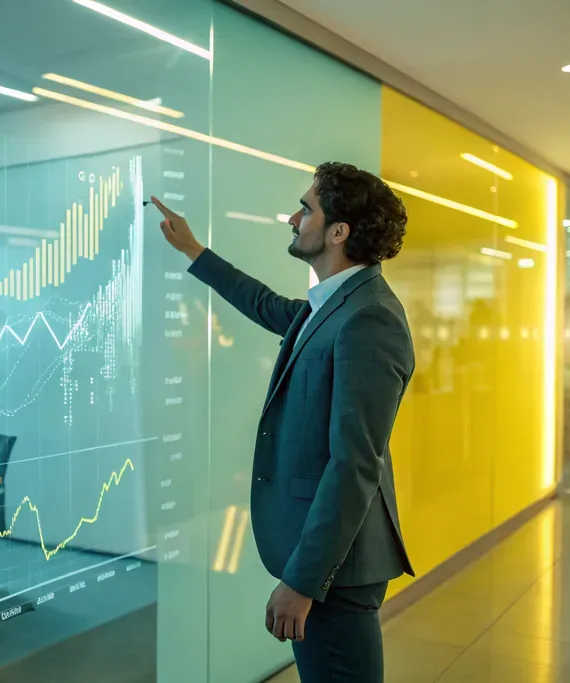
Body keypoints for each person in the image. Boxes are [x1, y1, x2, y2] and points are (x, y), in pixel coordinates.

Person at [151, 161, 415, 682]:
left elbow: (354, 464)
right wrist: (193, 251)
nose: (293, 219)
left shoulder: (370, 318)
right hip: (327, 561)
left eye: (306, 208)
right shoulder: (335, 305)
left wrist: (303, 581)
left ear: (339, 231)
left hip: (336, 569)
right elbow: (264, 303)